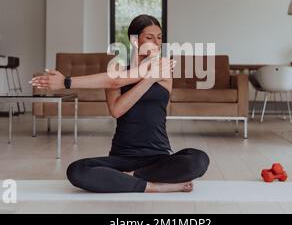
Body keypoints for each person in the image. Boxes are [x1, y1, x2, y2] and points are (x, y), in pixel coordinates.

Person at [31, 14, 210, 193]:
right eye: (149, 37)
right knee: (77, 171)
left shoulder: (162, 67)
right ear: (134, 41)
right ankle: (153, 185)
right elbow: (116, 109)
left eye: (159, 37)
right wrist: (149, 80)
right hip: (122, 157)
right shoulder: (116, 69)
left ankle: (131, 177)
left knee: (199, 160)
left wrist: (66, 82)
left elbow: (119, 81)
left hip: (158, 157)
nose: (156, 42)